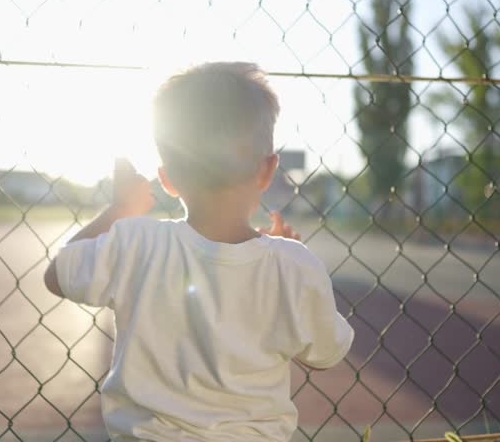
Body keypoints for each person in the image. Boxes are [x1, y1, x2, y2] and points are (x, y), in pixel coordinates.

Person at [44, 62, 354, 441]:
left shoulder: (136, 242)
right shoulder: (293, 265)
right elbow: (325, 354)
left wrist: (121, 208)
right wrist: (290, 266)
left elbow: (58, 273)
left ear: (167, 179)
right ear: (267, 170)